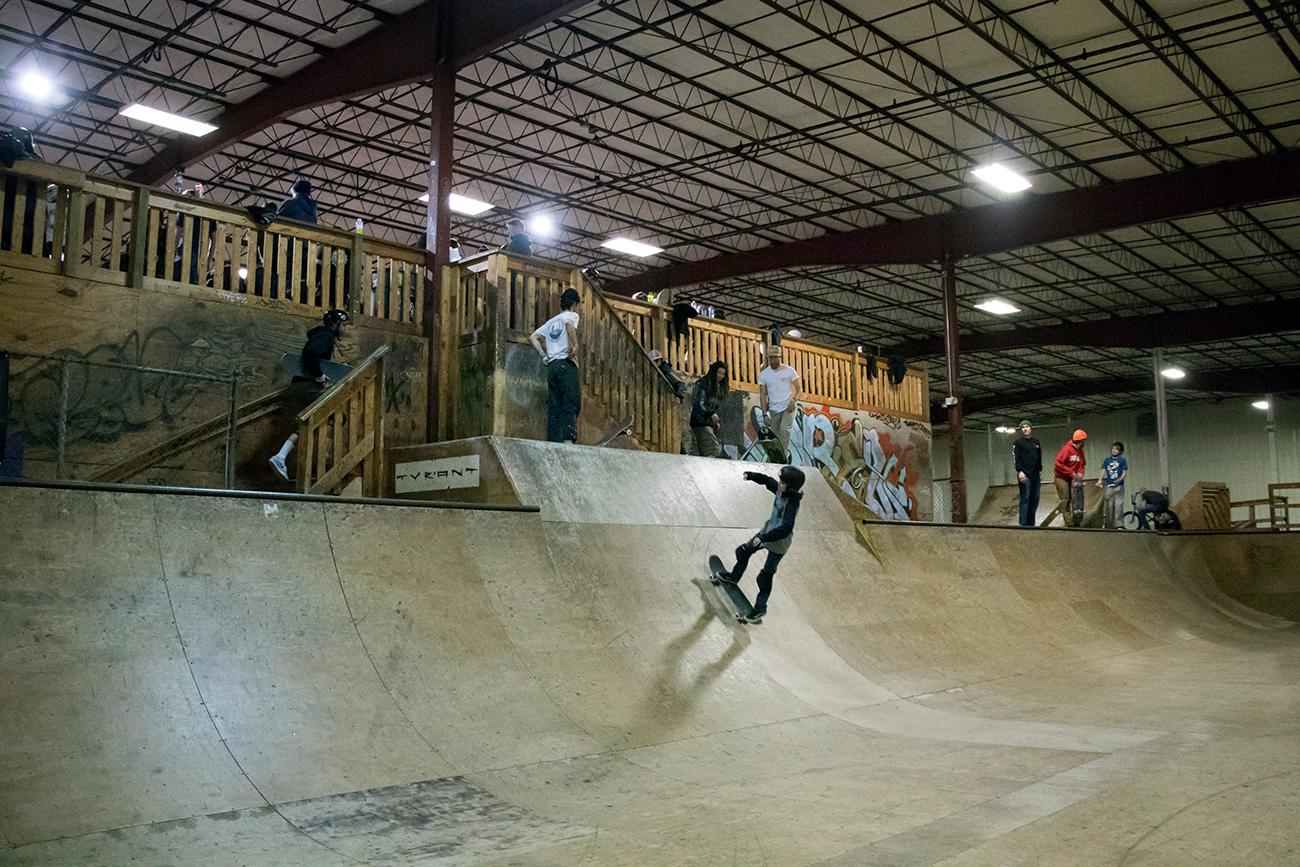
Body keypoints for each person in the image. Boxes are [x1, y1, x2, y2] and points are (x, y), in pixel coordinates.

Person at [716, 466, 806, 623]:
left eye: (783, 483)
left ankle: (760, 608)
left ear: (791, 487)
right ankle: (733, 577)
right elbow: (767, 480)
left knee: (765, 577)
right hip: (767, 532)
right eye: (780, 481)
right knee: (743, 552)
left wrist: (764, 538)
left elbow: (786, 529)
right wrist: (751, 475)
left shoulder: (791, 504)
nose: (779, 484)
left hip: (779, 542)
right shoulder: (780, 490)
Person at [269, 308, 349, 480]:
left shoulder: (323, 336)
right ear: (335, 324)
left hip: (300, 386)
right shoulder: (325, 335)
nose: (345, 329)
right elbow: (310, 353)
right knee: (338, 416)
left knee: (309, 422)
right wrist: (319, 375)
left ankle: (280, 457)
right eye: (344, 325)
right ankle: (325, 460)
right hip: (308, 385)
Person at [530, 287, 581, 443]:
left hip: (552, 367)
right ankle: (567, 439)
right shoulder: (571, 315)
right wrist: (575, 345)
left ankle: (553, 441)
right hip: (566, 364)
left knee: (555, 404)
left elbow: (533, 337)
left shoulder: (551, 321)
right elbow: (569, 325)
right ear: (574, 304)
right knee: (570, 400)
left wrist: (544, 356)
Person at [758, 345, 800, 459]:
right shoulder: (764, 374)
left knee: (784, 429)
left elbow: (798, 388)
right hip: (773, 408)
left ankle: (783, 456)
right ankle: (773, 458)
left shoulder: (789, 370)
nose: (773, 360)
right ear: (768, 358)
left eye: (776, 358)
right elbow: (762, 394)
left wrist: (794, 400)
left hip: (788, 406)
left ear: (780, 357)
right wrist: (764, 414)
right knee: (775, 435)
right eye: (771, 358)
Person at [690, 361, 729, 458]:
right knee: (714, 450)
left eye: (723, 374)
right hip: (700, 422)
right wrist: (710, 414)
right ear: (713, 371)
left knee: (703, 454)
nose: (720, 376)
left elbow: (716, 407)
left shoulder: (719, 387)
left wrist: (715, 422)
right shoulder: (703, 383)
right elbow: (699, 404)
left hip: (709, 423)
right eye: (719, 372)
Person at [1053, 429, 1088, 526]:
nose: (1084, 442)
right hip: (1061, 477)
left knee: (1076, 499)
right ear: (1080, 440)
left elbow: (1082, 464)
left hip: (1072, 478)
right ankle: (1069, 523)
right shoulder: (1066, 449)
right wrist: (1071, 473)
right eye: (1084, 440)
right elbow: (1058, 463)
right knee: (1066, 499)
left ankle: (1076, 521)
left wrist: (1081, 473)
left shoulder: (1080, 451)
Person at [1012, 419, 1042, 528]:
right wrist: (1020, 471)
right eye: (1023, 427)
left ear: (1031, 428)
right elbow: (1016, 458)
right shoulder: (1018, 443)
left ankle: (1031, 522)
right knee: (1025, 498)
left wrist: (1039, 470)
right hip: (1024, 474)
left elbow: (1039, 457)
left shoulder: (1036, 442)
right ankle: (1023, 523)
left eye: (1027, 427)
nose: (1025, 429)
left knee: (1035, 498)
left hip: (1035, 474)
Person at [1096, 441, 1129, 529]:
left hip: (1119, 486)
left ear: (1120, 451)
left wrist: (1120, 479)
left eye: (1117, 449)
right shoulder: (1107, 460)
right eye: (1113, 448)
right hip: (1109, 485)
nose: (1114, 450)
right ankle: (1108, 524)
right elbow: (1103, 470)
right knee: (1108, 505)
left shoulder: (1122, 460)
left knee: (1118, 505)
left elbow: (1124, 472)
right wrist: (1100, 480)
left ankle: (1119, 524)